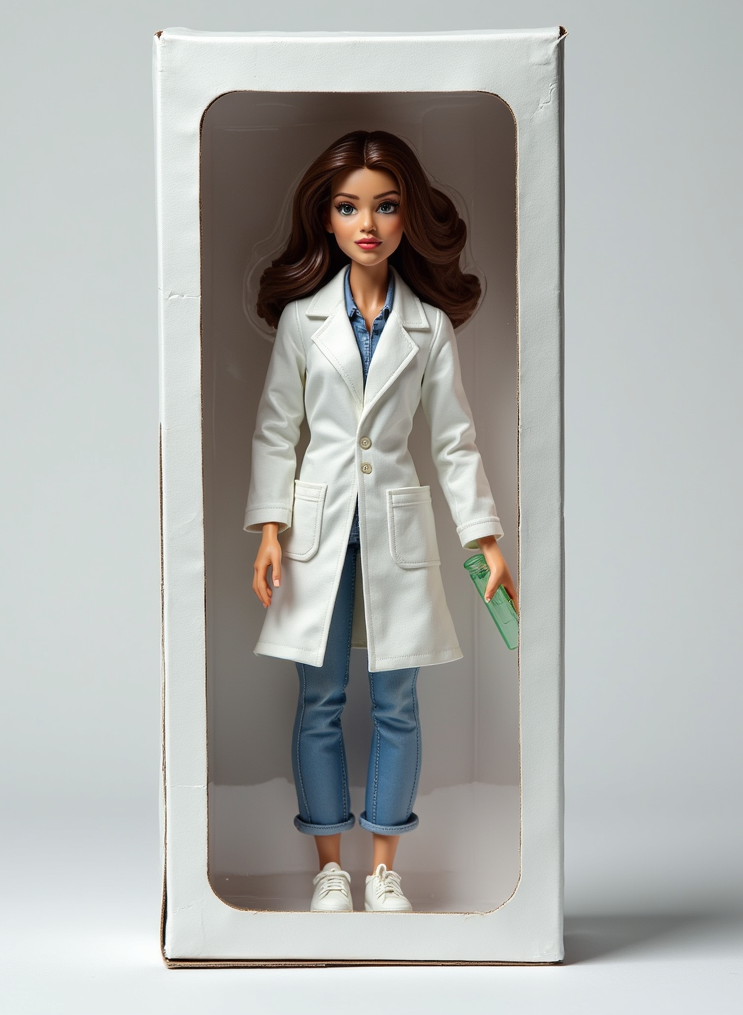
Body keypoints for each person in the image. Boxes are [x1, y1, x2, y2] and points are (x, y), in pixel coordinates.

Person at [245, 130, 518, 913]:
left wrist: (484, 539)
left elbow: (454, 439)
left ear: (408, 216)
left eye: (385, 206)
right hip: (318, 529)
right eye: (348, 207)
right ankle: (330, 866)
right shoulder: (302, 321)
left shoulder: (429, 326)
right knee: (320, 699)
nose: (367, 224)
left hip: (397, 525)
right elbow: (276, 429)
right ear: (325, 218)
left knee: (398, 701)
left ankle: (385, 868)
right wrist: (269, 528)